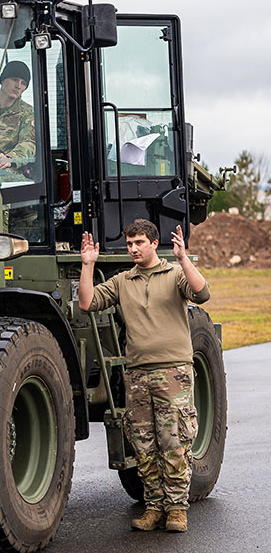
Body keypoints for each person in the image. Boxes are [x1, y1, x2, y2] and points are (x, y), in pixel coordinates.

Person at [78, 219, 210, 533]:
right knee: (143, 445)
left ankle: (176, 509)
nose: (134, 249)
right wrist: (88, 264)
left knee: (173, 441)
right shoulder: (123, 281)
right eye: (129, 244)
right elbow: (87, 302)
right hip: (138, 374)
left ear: (153, 243)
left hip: (173, 372)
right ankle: (154, 507)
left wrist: (183, 258)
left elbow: (202, 293)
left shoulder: (174, 274)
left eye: (139, 243)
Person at [0, 60, 36, 170]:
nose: (18, 86)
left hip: (7, 172)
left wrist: (10, 158)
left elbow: (29, 142)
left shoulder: (28, 113)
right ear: (2, 80)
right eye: (15, 79)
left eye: (23, 83)